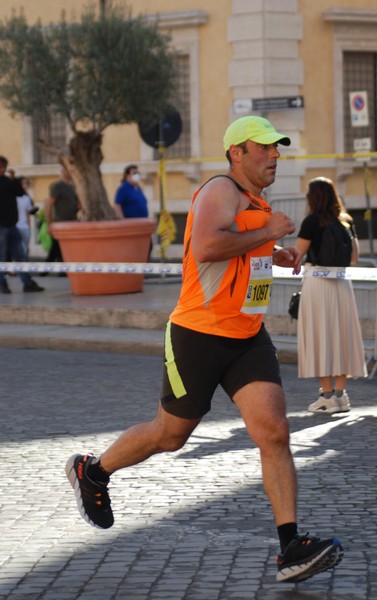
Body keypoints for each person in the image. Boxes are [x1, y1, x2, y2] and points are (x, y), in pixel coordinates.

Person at [66, 116, 343, 583]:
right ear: (237, 152)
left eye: (278, 148)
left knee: (274, 431)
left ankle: (291, 546)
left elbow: (238, 247)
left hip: (247, 336)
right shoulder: (220, 189)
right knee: (170, 435)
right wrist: (269, 232)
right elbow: (208, 246)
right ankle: (93, 471)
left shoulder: (253, 199)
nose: (275, 155)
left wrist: (272, 252)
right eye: (265, 148)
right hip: (199, 333)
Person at [295, 177, 367, 413]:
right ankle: (341, 395)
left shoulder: (311, 221)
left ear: (312, 197)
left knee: (320, 338)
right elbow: (354, 258)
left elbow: (297, 253)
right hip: (343, 285)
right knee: (341, 337)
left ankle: (326, 397)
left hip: (317, 284)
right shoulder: (345, 221)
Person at [0, 156, 44, 294]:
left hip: (12, 226)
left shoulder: (7, 181)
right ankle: (2, 284)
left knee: (20, 255)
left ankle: (28, 282)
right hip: (1, 227)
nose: (1, 169)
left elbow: (20, 193)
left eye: (3, 167)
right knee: (1, 257)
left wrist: (13, 179)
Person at [45, 166, 80, 263]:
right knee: (58, 246)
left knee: (58, 248)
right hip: (60, 222)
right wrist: (49, 224)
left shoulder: (73, 186)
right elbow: (49, 205)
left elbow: (76, 203)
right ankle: (58, 269)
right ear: (62, 171)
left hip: (72, 221)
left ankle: (47, 267)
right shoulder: (57, 186)